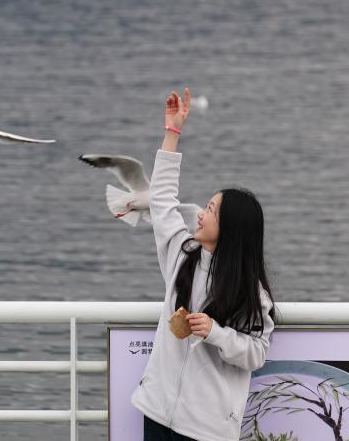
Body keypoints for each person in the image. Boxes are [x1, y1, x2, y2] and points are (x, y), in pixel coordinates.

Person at [131, 87, 277, 441]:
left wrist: (215, 332)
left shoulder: (251, 292)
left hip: (206, 429)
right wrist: (172, 132)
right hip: (157, 412)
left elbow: (255, 353)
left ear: (231, 229)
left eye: (210, 211)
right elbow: (163, 200)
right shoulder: (181, 256)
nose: (200, 216)